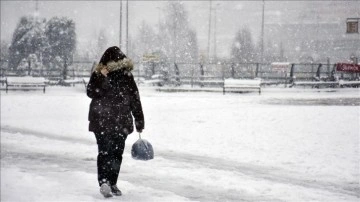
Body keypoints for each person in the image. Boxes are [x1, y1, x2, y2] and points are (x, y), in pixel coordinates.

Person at [87, 46, 144, 198]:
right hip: (113, 121)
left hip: (107, 120)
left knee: (107, 152)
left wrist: (139, 120)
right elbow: (91, 92)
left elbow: (133, 98)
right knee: (115, 153)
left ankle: (108, 182)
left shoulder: (125, 76)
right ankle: (108, 182)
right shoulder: (103, 74)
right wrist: (139, 120)